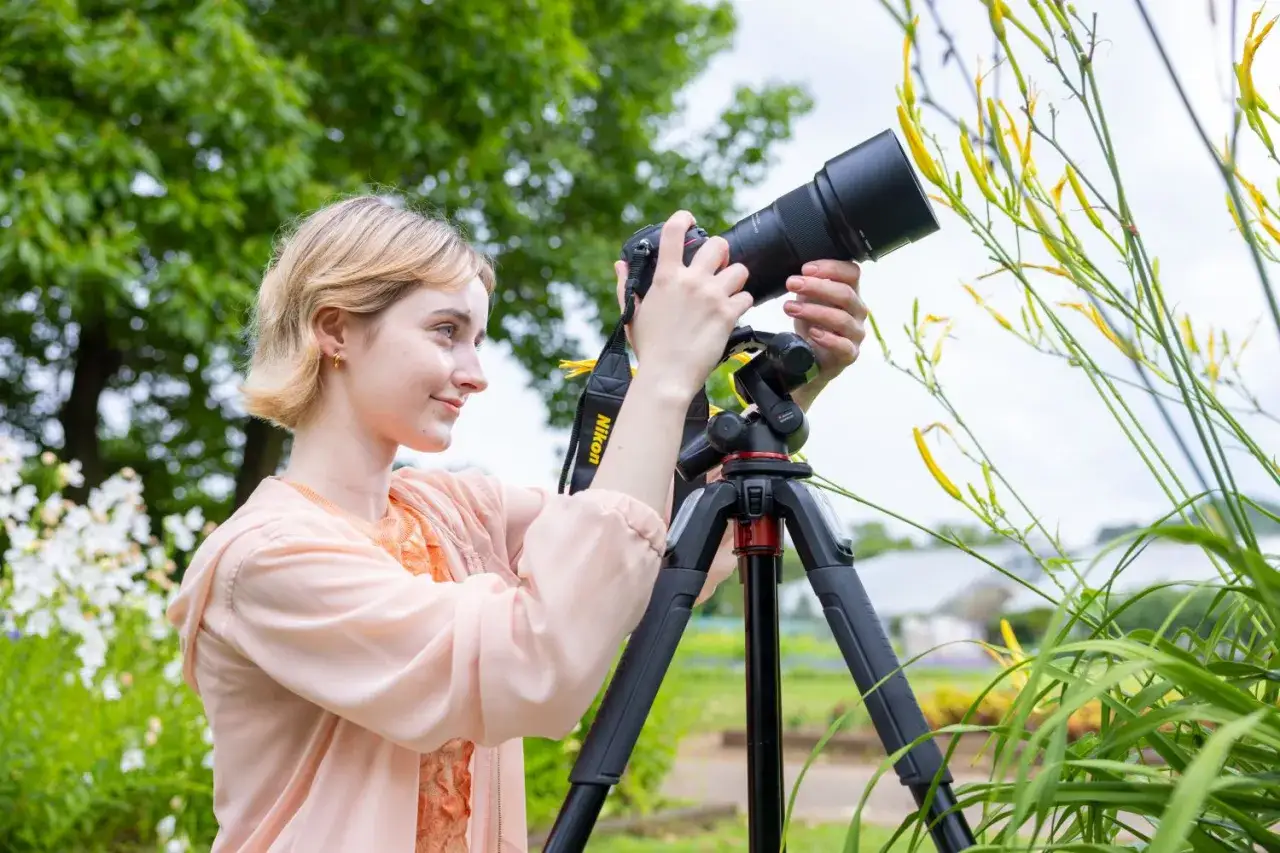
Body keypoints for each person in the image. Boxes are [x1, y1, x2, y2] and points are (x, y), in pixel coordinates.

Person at [166, 196, 869, 852]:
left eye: (476, 338)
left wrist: (794, 387)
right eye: (446, 332)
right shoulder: (267, 561)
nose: (474, 374)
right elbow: (538, 658)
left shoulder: (455, 512)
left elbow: (652, 548)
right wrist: (660, 376)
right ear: (334, 329)